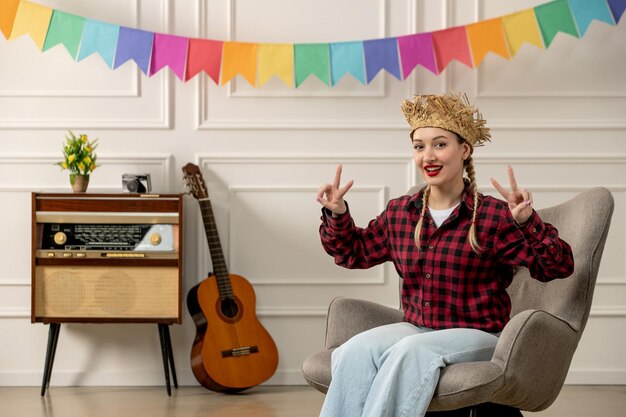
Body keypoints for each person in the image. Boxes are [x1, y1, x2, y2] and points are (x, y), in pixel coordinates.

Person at [314, 92, 575, 417]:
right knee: (355, 350)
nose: (428, 155)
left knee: (410, 351)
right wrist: (338, 214)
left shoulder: (492, 216)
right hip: (418, 327)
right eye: (419, 146)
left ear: (464, 150)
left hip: (480, 334)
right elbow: (353, 252)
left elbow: (558, 266)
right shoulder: (400, 213)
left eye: (440, 144)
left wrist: (527, 222)